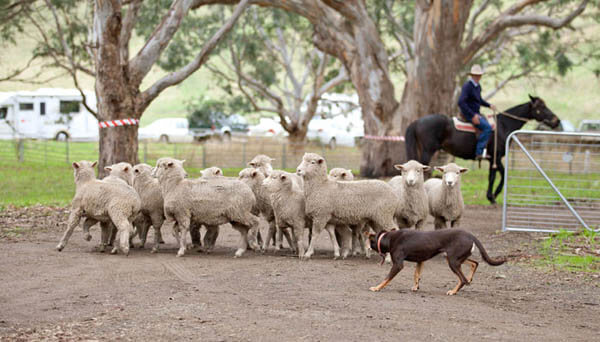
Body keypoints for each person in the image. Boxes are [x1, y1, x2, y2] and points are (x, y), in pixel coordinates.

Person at [458, 64, 498, 160]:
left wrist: (489, 105)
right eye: (475, 75)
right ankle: (479, 152)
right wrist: (472, 115)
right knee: (487, 128)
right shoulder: (467, 86)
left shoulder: (477, 86)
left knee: (487, 123)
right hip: (469, 114)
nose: (477, 77)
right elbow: (461, 102)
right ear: (472, 75)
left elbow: (479, 100)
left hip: (476, 113)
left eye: (479, 75)